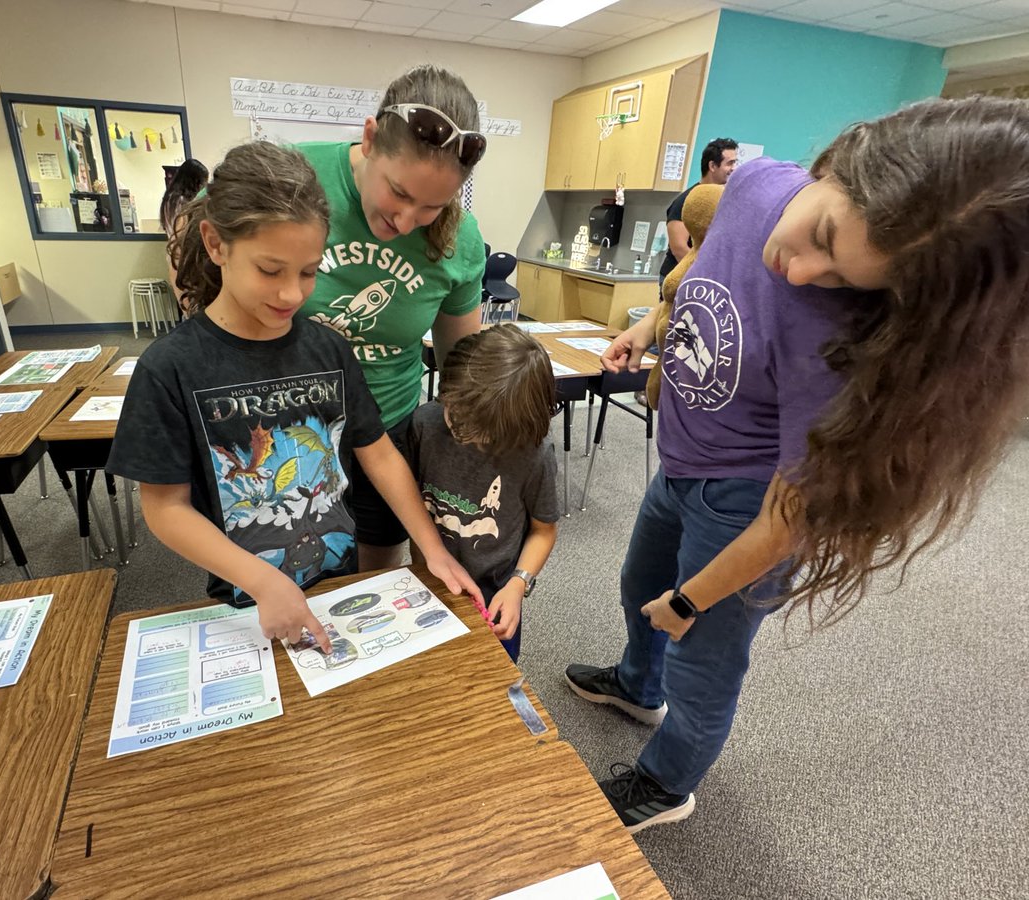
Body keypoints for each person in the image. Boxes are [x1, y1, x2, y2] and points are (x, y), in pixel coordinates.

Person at [564, 95, 1029, 834]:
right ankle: (634, 683)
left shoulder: (850, 345)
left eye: (845, 278)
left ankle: (666, 780)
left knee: (703, 655)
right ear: (836, 167)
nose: (802, 270)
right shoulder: (752, 186)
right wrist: (651, 324)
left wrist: (693, 601)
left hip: (746, 499)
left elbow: (789, 518)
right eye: (820, 234)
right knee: (637, 585)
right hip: (681, 457)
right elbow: (701, 269)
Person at [107, 141, 481, 653]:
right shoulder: (169, 367)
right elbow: (165, 509)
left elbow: (378, 453)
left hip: (337, 586)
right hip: (246, 604)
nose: (291, 294)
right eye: (270, 270)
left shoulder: (327, 347)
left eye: (309, 272)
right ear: (216, 245)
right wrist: (261, 581)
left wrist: (431, 547)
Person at [297, 65, 489, 573]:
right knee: (290, 574)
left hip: (387, 427)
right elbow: (200, 238)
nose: (404, 222)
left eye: (431, 207)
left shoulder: (459, 239)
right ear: (370, 138)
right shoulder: (295, 177)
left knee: (375, 577)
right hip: (288, 428)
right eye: (399, 194)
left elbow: (459, 368)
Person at [405, 325, 560, 662]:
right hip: (430, 580)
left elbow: (543, 531)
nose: (461, 432)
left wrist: (518, 585)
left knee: (493, 674)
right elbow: (410, 500)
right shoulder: (425, 424)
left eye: (480, 433)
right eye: (455, 414)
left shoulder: (533, 454)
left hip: (495, 590)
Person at [656, 137, 737, 289]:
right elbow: (679, 248)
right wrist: (703, 273)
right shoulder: (686, 200)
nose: (734, 168)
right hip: (678, 278)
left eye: (735, 162)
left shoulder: (722, 201)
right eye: (729, 163)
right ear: (712, 165)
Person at [160, 158, 209, 312]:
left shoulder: (169, 199)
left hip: (177, 252)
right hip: (183, 253)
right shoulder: (183, 203)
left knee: (186, 301)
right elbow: (183, 231)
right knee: (189, 300)